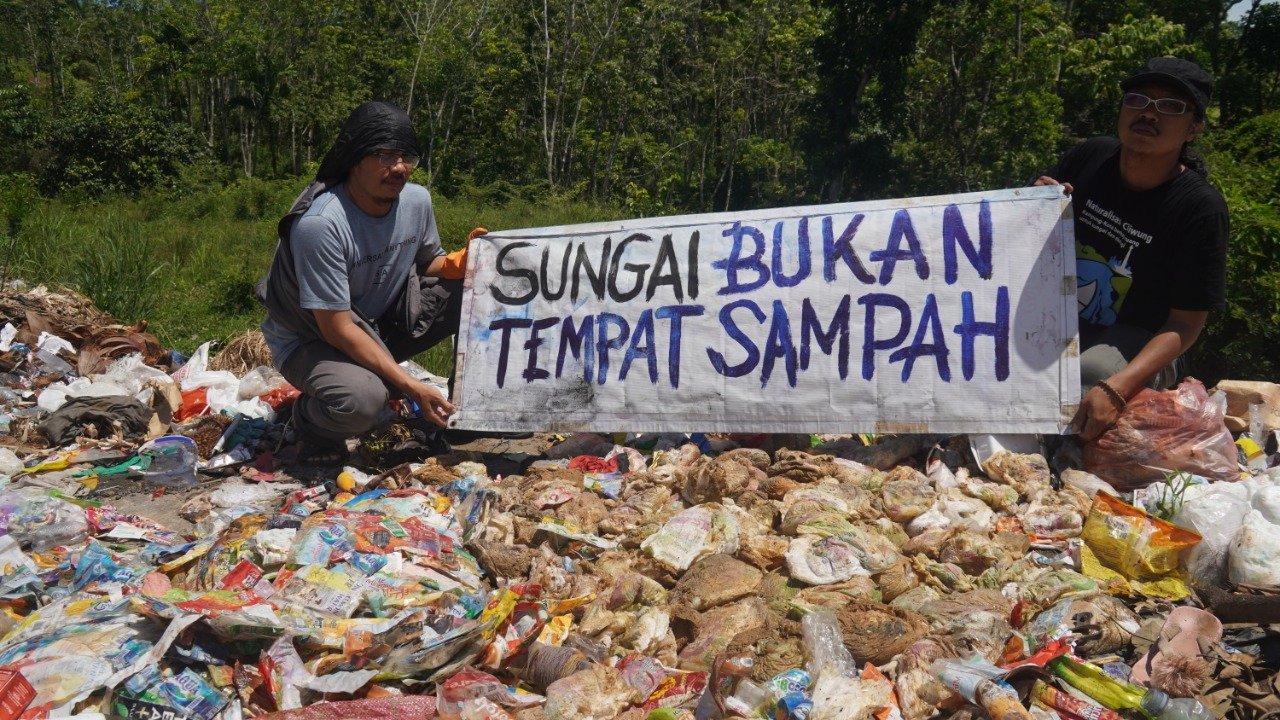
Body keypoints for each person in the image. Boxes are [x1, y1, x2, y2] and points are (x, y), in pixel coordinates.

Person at [258, 101, 476, 459]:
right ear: (355, 158)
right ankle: (304, 419)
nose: (399, 167)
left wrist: (463, 262)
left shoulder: (417, 201)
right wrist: (410, 385)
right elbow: (337, 329)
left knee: (474, 291)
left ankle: (466, 407)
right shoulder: (322, 224)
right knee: (363, 401)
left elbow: (429, 262)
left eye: (406, 156)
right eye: (383, 155)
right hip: (311, 339)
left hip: (378, 324)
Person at [1033, 57, 1229, 442]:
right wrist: (1031, 203)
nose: (1149, 114)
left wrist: (1117, 387)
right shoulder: (1090, 157)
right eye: (1138, 99)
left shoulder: (1199, 209)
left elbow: (1185, 324)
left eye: (1171, 106)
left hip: (1137, 337)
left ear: (1194, 128)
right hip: (1059, 316)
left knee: (1086, 378)